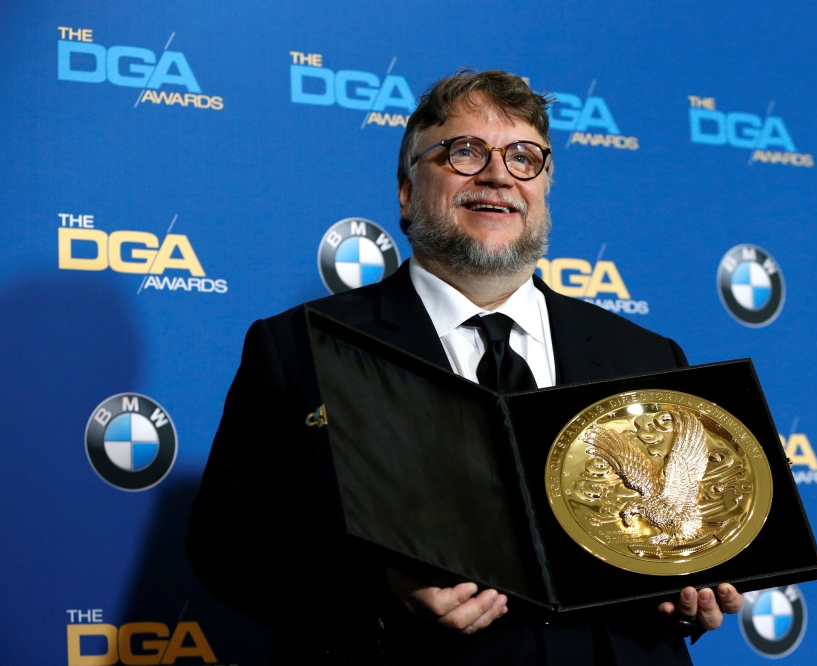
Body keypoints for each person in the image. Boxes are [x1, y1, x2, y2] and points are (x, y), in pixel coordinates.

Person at [188, 69, 743, 665]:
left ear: (543, 191)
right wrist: (380, 593)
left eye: (523, 157)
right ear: (407, 191)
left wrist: (690, 588)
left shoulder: (646, 356)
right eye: (465, 152)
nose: (498, 175)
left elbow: (673, 547)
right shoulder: (300, 346)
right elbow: (227, 544)